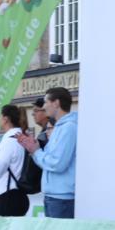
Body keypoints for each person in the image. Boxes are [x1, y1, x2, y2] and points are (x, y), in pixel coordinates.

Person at [18, 87, 77, 219]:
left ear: (56, 103)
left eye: (45, 102)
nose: (44, 107)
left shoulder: (68, 127)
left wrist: (36, 151)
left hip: (62, 198)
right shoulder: (60, 127)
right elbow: (52, 159)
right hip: (55, 195)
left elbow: (57, 164)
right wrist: (36, 148)